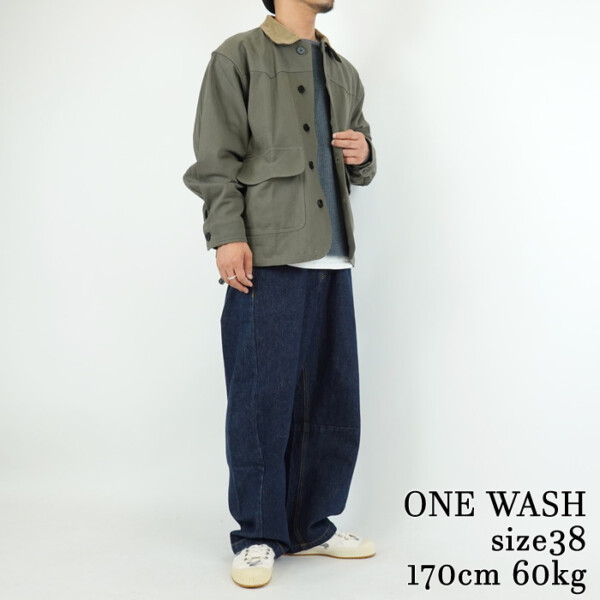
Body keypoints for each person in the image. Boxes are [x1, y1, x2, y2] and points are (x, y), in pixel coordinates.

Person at [182, 0, 378, 588]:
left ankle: (310, 527)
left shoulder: (342, 69)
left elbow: (360, 158)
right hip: (268, 251)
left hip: (332, 255)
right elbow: (215, 159)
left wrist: (364, 154)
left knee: (331, 399)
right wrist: (227, 235)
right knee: (260, 399)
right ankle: (259, 535)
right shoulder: (238, 56)